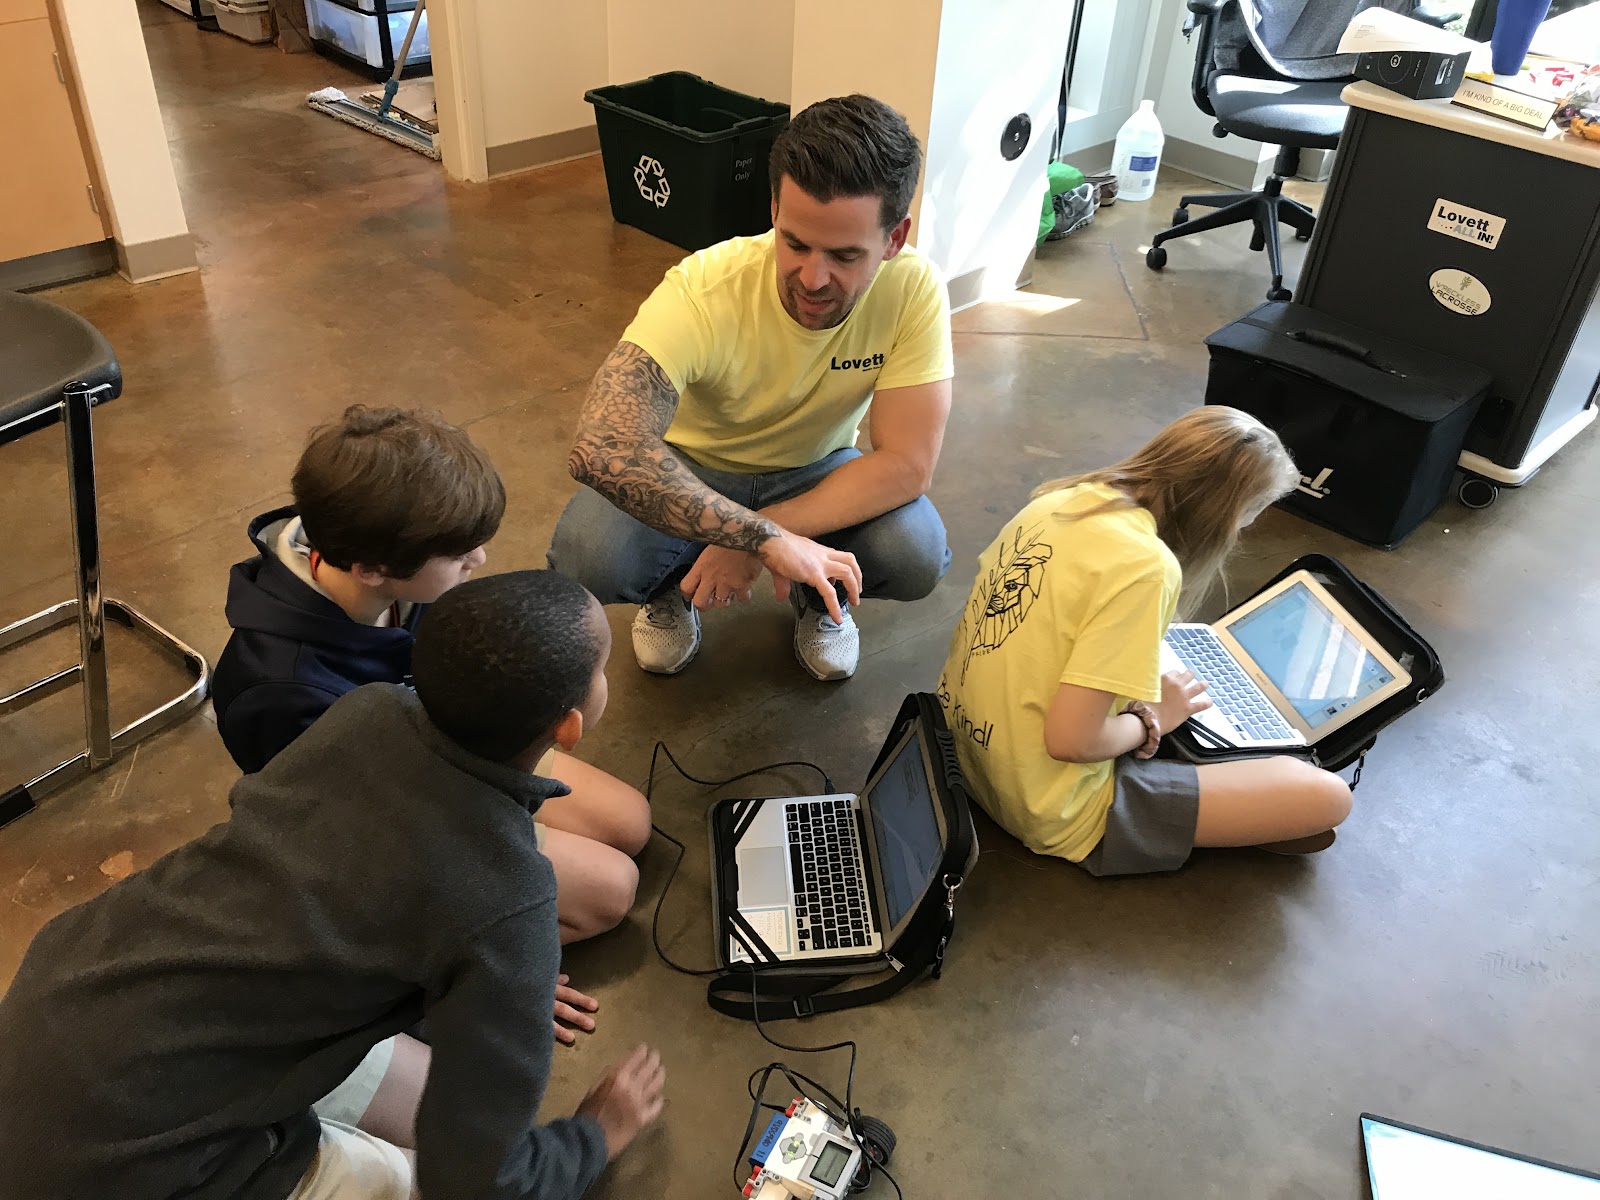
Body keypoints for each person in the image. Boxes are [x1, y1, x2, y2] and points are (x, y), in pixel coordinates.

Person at [0, 570, 667, 1200]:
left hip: (69, 1001)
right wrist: (593, 1136)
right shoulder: (511, 902)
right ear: (569, 727)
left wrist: (478, 989)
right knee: (413, 1178)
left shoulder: (369, 711)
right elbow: (478, 1181)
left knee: (424, 1106)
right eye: (601, 669)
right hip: (128, 1164)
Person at [550, 93, 954, 682]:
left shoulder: (913, 289)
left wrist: (759, 538)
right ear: (773, 210)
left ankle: (818, 589)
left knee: (914, 551)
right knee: (588, 554)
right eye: (795, 243)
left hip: (815, 466)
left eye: (845, 255)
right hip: (693, 466)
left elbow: (907, 465)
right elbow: (601, 445)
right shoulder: (705, 287)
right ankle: (670, 589)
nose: (813, 278)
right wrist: (758, 536)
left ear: (894, 239)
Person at [212, 405, 650, 945]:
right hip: (389, 814)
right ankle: (431, 964)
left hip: (444, 747)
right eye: (459, 555)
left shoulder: (389, 556)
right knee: (611, 891)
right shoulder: (278, 691)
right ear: (371, 570)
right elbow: (340, 830)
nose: (480, 560)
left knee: (630, 823)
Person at [936, 407, 1353, 877]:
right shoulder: (1147, 568)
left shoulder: (1061, 500)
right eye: (1250, 515)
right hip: (1045, 804)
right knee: (1327, 796)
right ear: (1223, 512)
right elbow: (1070, 741)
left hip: (963, 756)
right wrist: (1153, 718)